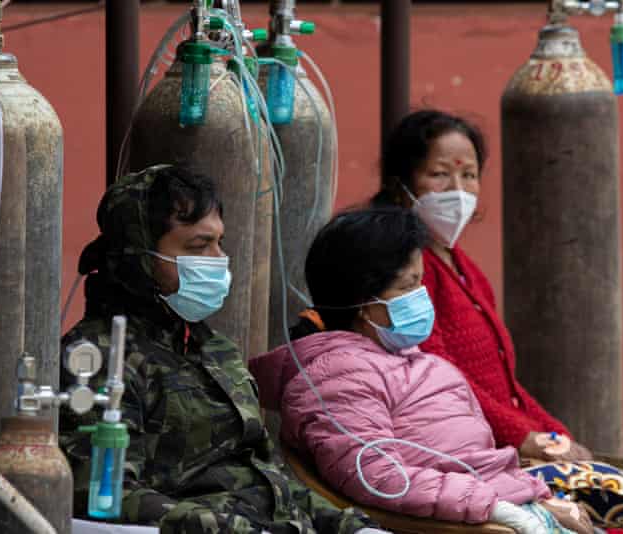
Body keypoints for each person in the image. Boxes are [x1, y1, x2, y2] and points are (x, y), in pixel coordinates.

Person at [59, 165, 387, 534]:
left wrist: (350, 526)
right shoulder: (99, 357)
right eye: (198, 247)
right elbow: (103, 496)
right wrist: (231, 528)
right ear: (140, 257)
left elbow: (268, 478)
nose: (217, 259)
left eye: (219, 243)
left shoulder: (215, 350)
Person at [250, 207, 592, 534]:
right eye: (407, 286)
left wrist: (540, 499)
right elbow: (378, 477)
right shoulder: (336, 377)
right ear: (364, 302)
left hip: (500, 507)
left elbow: (480, 461)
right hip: (474, 524)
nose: (421, 296)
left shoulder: (415, 360)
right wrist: (503, 511)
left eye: (421, 282)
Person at [370, 109, 591, 462]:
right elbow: (442, 377)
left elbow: (505, 389)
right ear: (402, 185)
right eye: (440, 174)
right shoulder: (409, 271)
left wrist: (554, 434)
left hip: (502, 438)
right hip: (470, 453)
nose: (458, 191)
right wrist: (525, 438)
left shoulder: (462, 266)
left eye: (469, 175)